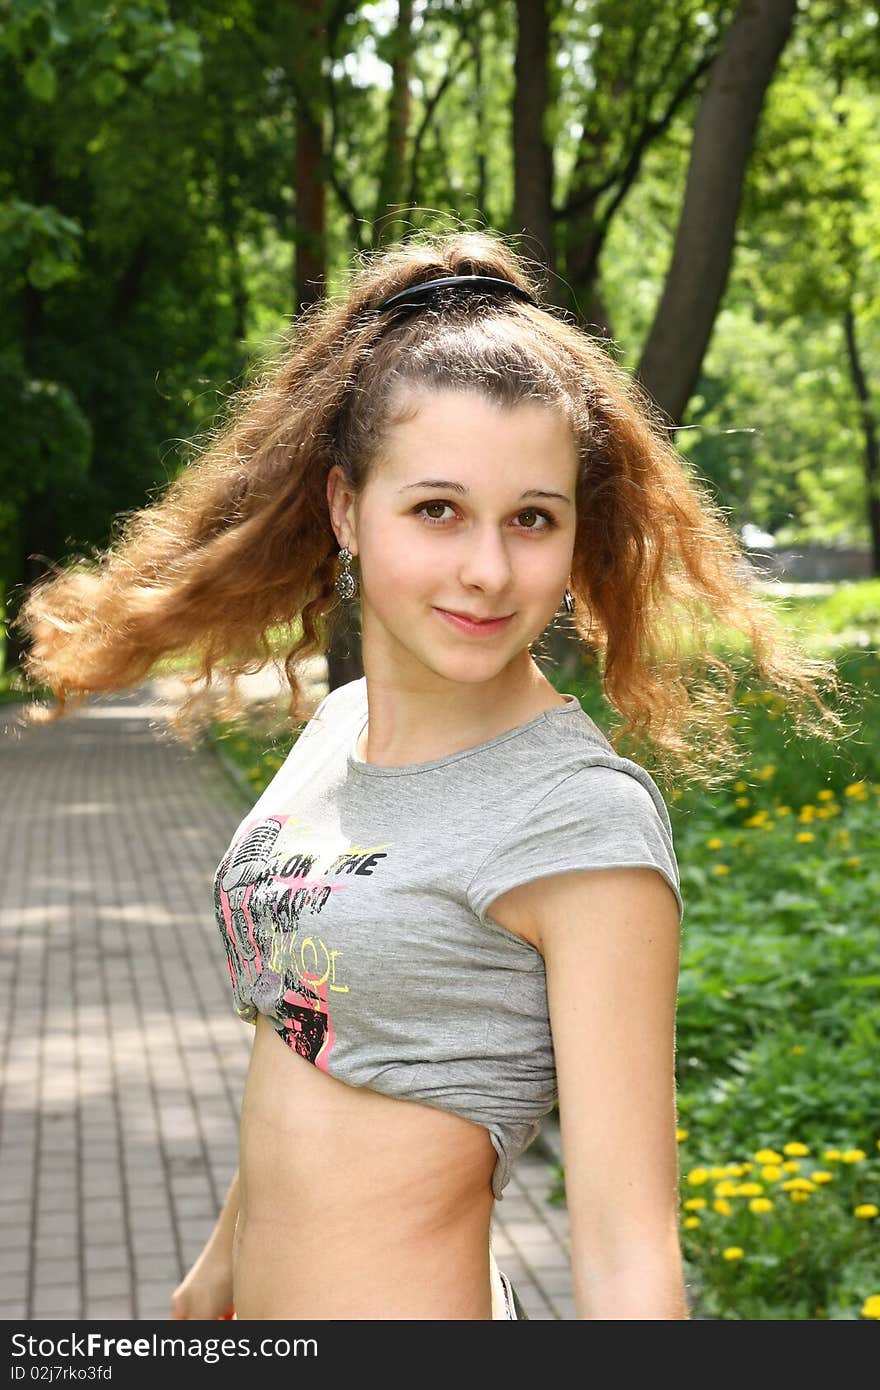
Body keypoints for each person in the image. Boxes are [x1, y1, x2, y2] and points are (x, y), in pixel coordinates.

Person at [14, 229, 846, 1320]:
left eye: (532, 520)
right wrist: (216, 1273)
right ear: (344, 507)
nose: (489, 570)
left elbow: (627, 1257)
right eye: (437, 509)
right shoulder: (339, 727)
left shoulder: (576, 823)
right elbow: (313, 1028)